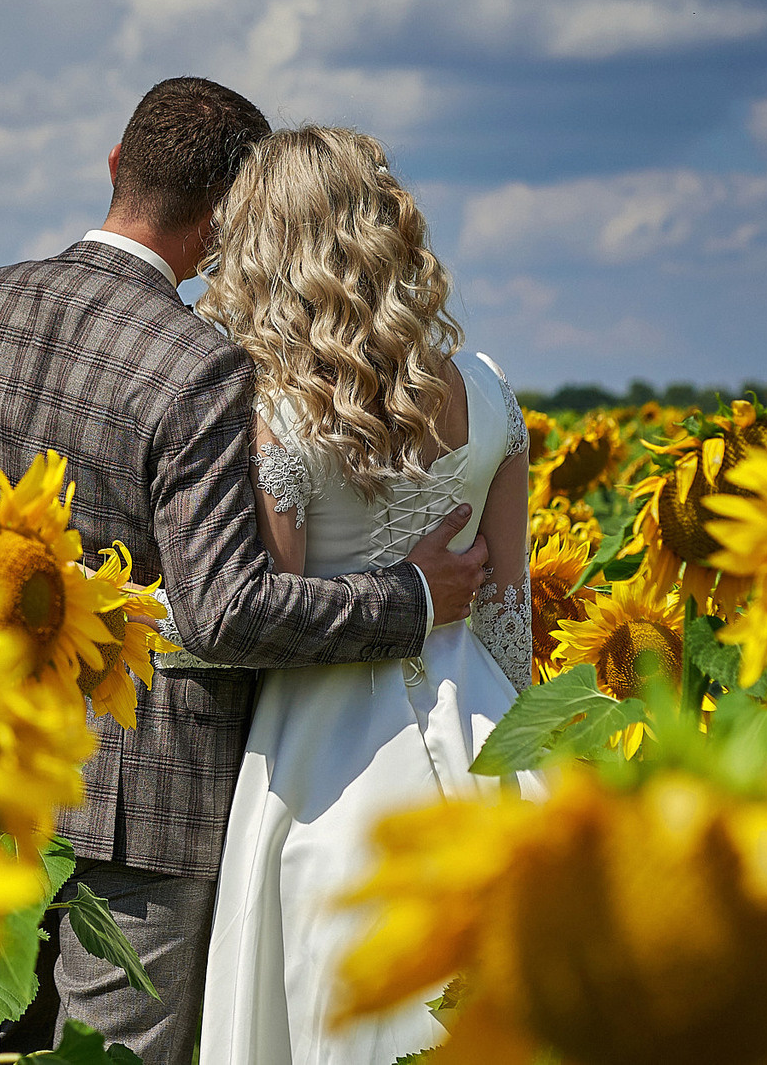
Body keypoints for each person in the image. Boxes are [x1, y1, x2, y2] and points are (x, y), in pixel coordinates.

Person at [0, 78, 491, 1064]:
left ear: (116, 166)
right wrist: (413, 595)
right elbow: (223, 611)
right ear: (225, 221)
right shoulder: (197, 362)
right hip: (142, 806)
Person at [193, 126, 533, 1065]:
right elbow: (510, 614)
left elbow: (272, 616)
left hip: (321, 763)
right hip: (491, 736)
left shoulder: (277, 413)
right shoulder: (489, 390)